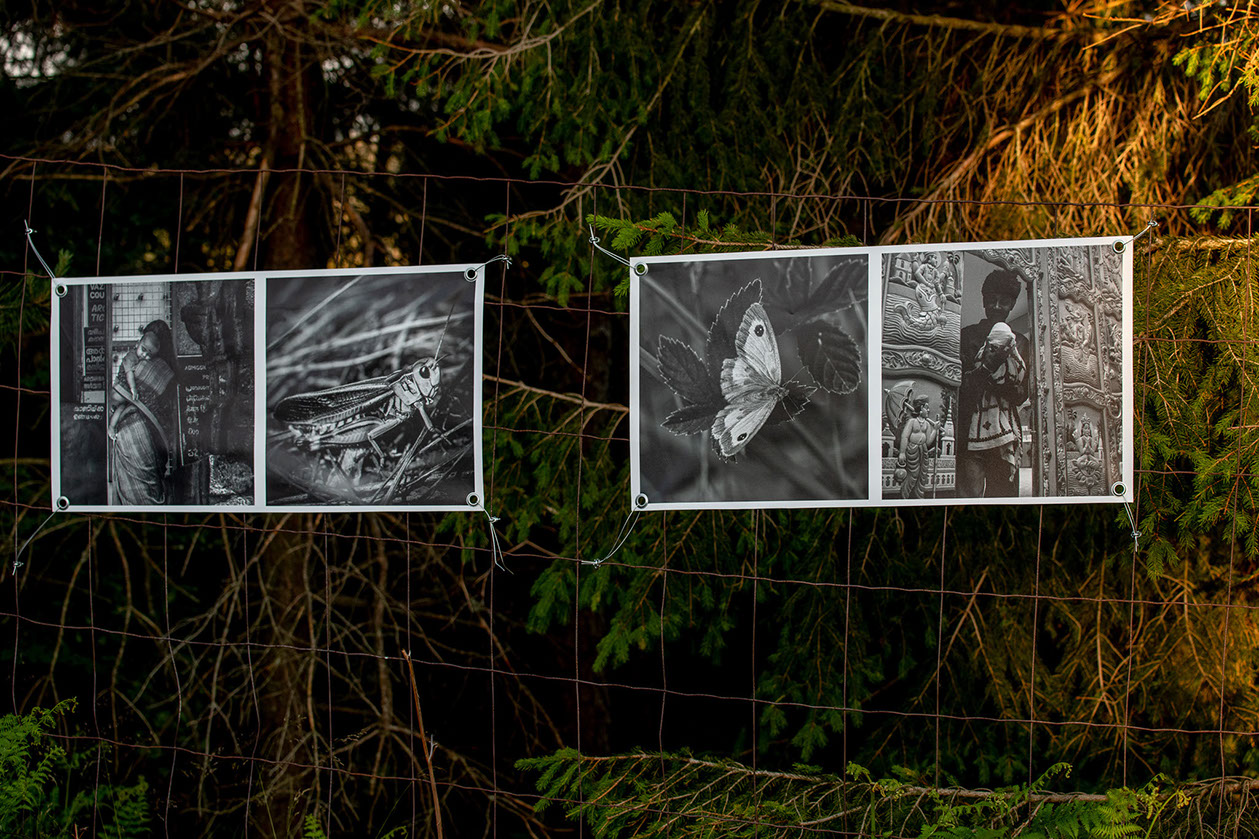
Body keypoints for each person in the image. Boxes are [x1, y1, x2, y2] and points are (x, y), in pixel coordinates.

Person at [957, 269, 1030, 497]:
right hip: (969, 429)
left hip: (1006, 432)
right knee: (968, 495)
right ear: (984, 301)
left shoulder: (1021, 343)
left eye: (1004, 302)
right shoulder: (966, 336)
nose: (997, 306)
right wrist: (989, 368)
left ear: (1012, 305)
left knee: (1003, 495)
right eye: (991, 300)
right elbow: (959, 387)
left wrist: (996, 379)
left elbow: (1022, 394)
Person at [108, 320, 177, 504]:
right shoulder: (167, 370)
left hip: (134, 437)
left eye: (149, 352)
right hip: (158, 441)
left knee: (134, 496)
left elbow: (115, 397)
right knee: (153, 489)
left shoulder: (140, 365)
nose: (145, 355)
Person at [896, 393, 940, 499]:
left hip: (923, 451)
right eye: (926, 408)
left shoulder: (927, 424)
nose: (928, 410)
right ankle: (905, 496)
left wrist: (935, 430)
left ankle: (918, 497)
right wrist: (902, 452)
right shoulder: (912, 421)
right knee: (913, 474)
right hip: (912, 450)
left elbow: (928, 441)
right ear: (920, 409)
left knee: (922, 475)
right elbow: (905, 436)